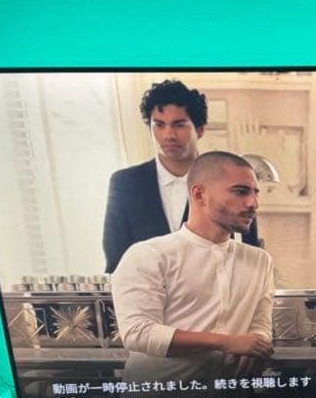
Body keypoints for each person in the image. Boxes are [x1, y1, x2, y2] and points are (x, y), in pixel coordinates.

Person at [111, 151, 275, 386]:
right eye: (241, 192)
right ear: (199, 194)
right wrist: (226, 342)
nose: (253, 203)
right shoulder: (149, 254)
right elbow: (138, 333)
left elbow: (260, 323)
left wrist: (257, 344)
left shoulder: (260, 260)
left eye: (255, 193)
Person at [102, 78, 259, 274]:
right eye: (159, 125)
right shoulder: (125, 184)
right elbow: (116, 262)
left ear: (200, 129)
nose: (168, 135)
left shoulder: (230, 180)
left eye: (179, 125)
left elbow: (249, 258)